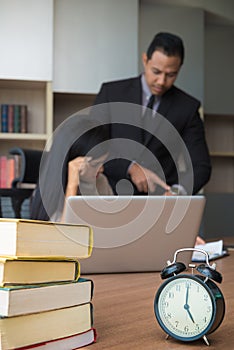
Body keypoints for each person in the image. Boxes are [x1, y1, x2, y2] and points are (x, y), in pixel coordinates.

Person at [92, 32, 211, 197]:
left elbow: (201, 166)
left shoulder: (188, 108)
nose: (162, 81)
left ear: (179, 68)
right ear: (145, 60)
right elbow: (92, 146)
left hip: (160, 203)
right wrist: (130, 167)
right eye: (156, 71)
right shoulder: (111, 93)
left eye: (171, 75)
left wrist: (178, 192)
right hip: (110, 195)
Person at [30, 116, 113, 222]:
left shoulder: (101, 182)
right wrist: (72, 186)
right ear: (75, 162)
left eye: (103, 162)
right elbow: (65, 234)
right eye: (95, 164)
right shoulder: (51, 191)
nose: (101, 169)